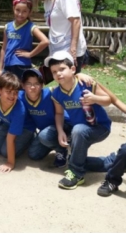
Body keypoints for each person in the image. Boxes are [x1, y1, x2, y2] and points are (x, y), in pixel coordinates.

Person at [47, 50, 112, 190]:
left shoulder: (86, 83)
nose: (58, 74)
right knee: (76, 156)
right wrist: (60, 131)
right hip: (79, 129)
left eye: (62, 69)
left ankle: (76, 173)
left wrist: (95, 99)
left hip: (100, 127)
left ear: (72, 69)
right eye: (54, 72)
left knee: (78, 131)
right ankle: (116, 161)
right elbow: (59, 113)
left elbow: (108, 100)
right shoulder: (57, 93)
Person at [31, 0, 87, 73]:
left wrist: (73, 48)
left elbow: (76, 20)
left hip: (69, 49)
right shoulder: (47, 1)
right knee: (59, 80)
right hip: (57, 49)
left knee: (71, 80)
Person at [0, 72, 33, 173]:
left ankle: (31, 139)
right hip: (6, 123)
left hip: (26, 128)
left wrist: (10, 163)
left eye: (15, 92)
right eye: (8, 91)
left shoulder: (19, 110)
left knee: (5, 152)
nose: (12, 95)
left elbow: (10, 139)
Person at [20, 68, 70, 168]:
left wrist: (80, 76)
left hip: (63, 124)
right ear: (23, 85)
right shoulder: (20, 96)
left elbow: (69, 85)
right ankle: (55, 142)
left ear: (42, 85)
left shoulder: (50, 93)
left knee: (43, 136)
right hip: (46, 131)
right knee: (34, 154)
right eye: (29, 83)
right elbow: (3, 93)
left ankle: (62, 149)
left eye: (37, 83)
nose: (32, 87)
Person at [0, 0, 49, 80]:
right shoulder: (7, 27)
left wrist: (30, 54)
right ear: (13, 9)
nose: (20, 14)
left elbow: (45, 41)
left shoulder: (30, 27)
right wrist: (0, 69)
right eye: (18, 10)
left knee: (22, 88)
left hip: (22, 65)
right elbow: (4, 48)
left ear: (29, 12)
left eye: (24, 11)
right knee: (6, 88)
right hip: (7, 66)